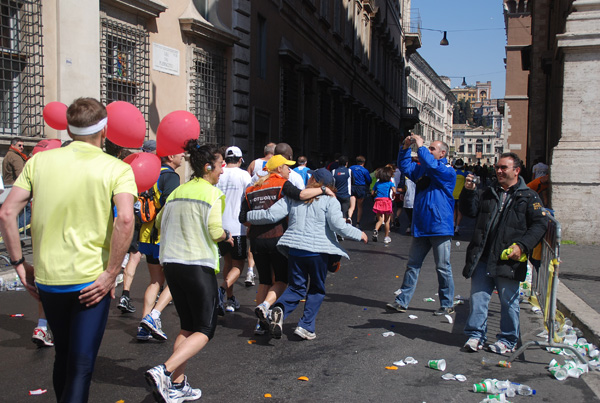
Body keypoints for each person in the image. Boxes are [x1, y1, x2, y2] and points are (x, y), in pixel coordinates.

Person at [0, 97, 136, 402]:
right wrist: (112, 272)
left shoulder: (38, 160)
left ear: (70, 130)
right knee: (81, 365)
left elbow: (7, 212)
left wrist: (20, 264)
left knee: (63, 356)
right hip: (90, 281)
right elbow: (125, 219)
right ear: (105, 130)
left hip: (48, 279)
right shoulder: (117, 168)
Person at [145, 142, 232, 402]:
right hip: (197, 265)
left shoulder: (177, 192)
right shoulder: (212, 194)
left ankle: (178, 384)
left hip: (172, 264)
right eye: (219, 166)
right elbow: (215, 231)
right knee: (205, 329)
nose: (222, 172)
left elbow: (160, 221)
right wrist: (227, 236)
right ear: (208, 167)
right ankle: (165, 370)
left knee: (187, 326)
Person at [246, 168, 368, 340]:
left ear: (313, 181)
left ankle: (279, 309)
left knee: (296, 287)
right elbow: (337, 226)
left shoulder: (294, 198)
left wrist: (247, 215)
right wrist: (359, 234)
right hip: (318, 252)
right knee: (316, 289)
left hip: (295, 250)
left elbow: (271, 215)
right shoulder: (330, 201)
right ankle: (306, 326)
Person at [460, 153, 548, 354]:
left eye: (504, 168)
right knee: (479, 299)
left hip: (508, 259)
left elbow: (539, 224)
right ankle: (475, 335)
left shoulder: (528, 196)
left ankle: (507, 339)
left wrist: (522, 246)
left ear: (516, 171)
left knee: (509, 303)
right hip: (483, 255)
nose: (499, 171)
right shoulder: (489, 192)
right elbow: (470, 212)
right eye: (497, 167)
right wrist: (468, 192)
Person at [239, 155, 334, 335]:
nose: (289, 171)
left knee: (265, 281)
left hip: (256, 241)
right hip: (278, 238)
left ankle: (259, 324)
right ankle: (266, 307)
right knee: (282, 280)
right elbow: (301, 195)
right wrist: (322, 190)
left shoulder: (251, 188)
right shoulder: (282, 184)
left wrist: (258, 226)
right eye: (286, 167)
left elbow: (243, 219)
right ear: (278, 169)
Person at [387, 134, 456, 316]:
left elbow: (433, 167)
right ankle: (402, 301)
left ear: (442, 154)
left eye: (432, 149)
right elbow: (405, 166)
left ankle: (447, 303)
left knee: (443, 267)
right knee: (413, 265)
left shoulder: (447, 171)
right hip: (422, 226)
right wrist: (405, 148)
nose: (428, 151)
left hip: (440, 226)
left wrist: (421, 146)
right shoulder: (423, 170)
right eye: (428, 148)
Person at [137, 150, 184, 341]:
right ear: (170, 156)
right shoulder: (170, 176)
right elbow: (171, 207)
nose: (182, 156)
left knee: (155, 281)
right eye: (179, 153)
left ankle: (144, 326)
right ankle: (153, 316)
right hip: (163, 237)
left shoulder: (151, 173)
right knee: (176, 280)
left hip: (146, 234)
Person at [215, 146, 252, 314]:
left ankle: (230, 300)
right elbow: (249, 199)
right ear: (239, 160)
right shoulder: (244, 175)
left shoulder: (219, 173)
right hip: (238, 227)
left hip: (221, 226)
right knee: (238, 265)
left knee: (228, 263)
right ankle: (222, 290)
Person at [371, 165, 395, 244]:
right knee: (387, 221)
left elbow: (372, 192)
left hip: (378, 201)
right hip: (387, 202)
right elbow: (394, 191)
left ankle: (376, 230)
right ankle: (386, 237)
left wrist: (375, 196)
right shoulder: (389, 183)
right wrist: (393, 196)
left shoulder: (377, 183)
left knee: (380, 220)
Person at [349, 155, 372, 228]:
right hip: (361, 188)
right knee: (360, 206)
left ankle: (349, 217)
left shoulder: (351, 168)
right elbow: (369, 180)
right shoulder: (364, 170)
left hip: (352, 187)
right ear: (363, 163)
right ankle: (358, 223)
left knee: (352, 206)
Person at [332, 155, 353, 223]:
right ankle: (342, 229)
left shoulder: (334, 171)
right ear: (346, 163)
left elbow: (331, 183)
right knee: (344, 213)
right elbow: (353, 181)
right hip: (346, 194)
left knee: (336, 212)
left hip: (336, 195)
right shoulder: (349, 171)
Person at [452, 159, 468, 236]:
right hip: (461, 195)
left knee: (453, 211)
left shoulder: (452, 172)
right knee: (460, 212)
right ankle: (457, 227)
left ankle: (453, 225)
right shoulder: (465, 173)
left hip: (452, 194)